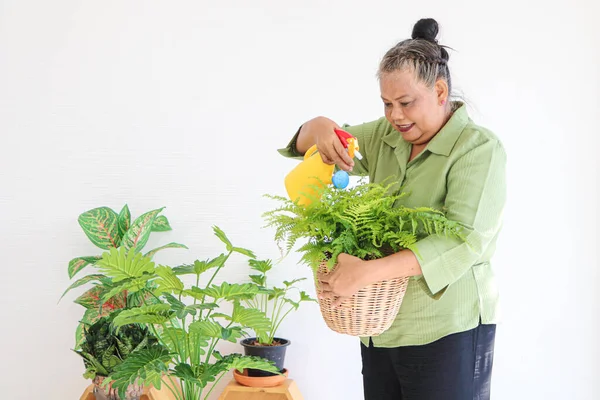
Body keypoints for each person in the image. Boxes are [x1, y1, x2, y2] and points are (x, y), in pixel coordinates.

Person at [277, 17, 507, 400]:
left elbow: (466, 240)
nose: (395, 116)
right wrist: (319, 127)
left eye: (405, 103)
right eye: (386, 104)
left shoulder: (478, 149)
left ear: (439, 90)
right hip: (380, 325)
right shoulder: (387, 136)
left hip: (447, 326)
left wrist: (368, 272)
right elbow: (312, 145)